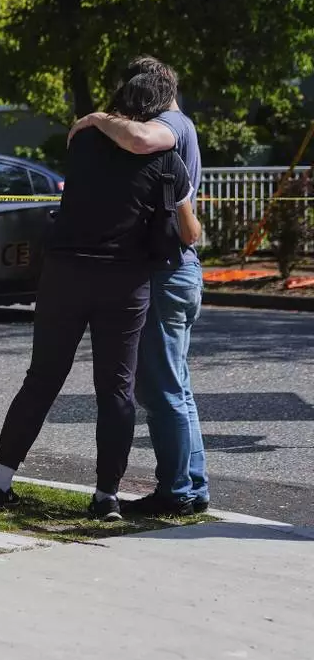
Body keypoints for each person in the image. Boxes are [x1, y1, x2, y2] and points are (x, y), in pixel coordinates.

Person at [0, 69, 203, 521]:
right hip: (124, 281)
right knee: (116, 389)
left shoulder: (82, 141)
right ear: (154, 112)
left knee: (41, 378)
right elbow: (189, 232)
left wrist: (97, 119)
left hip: (64, 272)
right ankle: (106, 497)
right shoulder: (167, 161)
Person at [70, 56, 208, 516]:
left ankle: (176, 492)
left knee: (161, 389)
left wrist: (96, 119)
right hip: (178, 270)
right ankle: (192, 485)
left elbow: (142, 139)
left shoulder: (170, 125)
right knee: (176, 386)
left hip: (166, 273)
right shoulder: (180, 126)